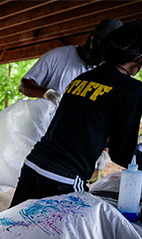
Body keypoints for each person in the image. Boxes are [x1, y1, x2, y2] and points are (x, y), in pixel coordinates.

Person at [10, 20, 142, 208]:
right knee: (69, 236)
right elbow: (121, 154)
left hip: (34, 163)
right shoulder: (131, 88)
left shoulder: (83, 78)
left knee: (12, 228)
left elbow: (81, 126)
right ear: (138, 57)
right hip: (63, 176)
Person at [18, 19, 123, 106]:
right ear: (91, 39)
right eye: (99, 47)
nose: (100, 54)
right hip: (47, 127)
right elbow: (24, 86)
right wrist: (48, 93)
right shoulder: (58, 56)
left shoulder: (107, 71)